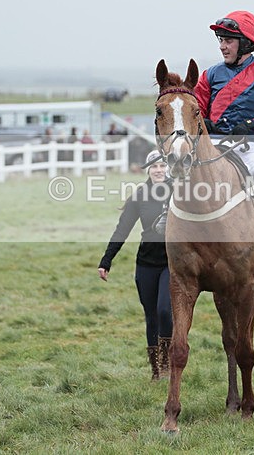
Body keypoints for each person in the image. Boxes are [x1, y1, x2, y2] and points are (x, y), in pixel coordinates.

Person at [177, 10, 254, 241]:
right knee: (178, 167)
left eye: (228, 40)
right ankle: (167, 214)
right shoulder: (210, 74)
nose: (222, 46)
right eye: (221, 40)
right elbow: (196, 109)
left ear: (246, 44)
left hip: (250, 145)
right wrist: (205, 122)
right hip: (214, 144)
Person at [97, 150, 173, 381]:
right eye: (154, 166)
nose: (159, 170)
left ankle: (167, 363)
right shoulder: (139, 196)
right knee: (151, 315)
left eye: (162, 165)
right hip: (146, 263)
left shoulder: (181, 192)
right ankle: (155, 370)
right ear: (148, 170)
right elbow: (122, 230)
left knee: (164, 311)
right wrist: (106, 260)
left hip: (173, 263)